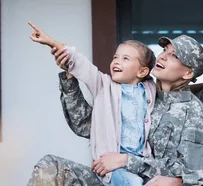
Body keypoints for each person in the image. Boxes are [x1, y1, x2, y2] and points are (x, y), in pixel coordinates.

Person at [58, 20, 203, 186]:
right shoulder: (195, 95)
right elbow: (91, 125)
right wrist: (70, 76)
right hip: (144, 180)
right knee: (54, 169)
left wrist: (179, 180)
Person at [27, 34, 203, 186]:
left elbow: (191, 174)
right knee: (51, 167)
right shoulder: (142, 93)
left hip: (141, 182)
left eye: (174, 55)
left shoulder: (194, 113)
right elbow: (86, 126)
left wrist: (125, 160)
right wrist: (70, 78)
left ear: (188, 73)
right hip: (111, 177)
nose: (163, 56)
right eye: (165, 50)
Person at [28, 21, 156, 186]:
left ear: (142, 71)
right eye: (115, 57)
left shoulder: (150, 89)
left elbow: (178, 88)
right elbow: (81, 64)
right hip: (110, 169)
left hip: (138, 166)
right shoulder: (104, 85)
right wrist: (52, 43)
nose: (117, 61)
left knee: (138, 180)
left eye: (125, 59)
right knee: (133, 182)